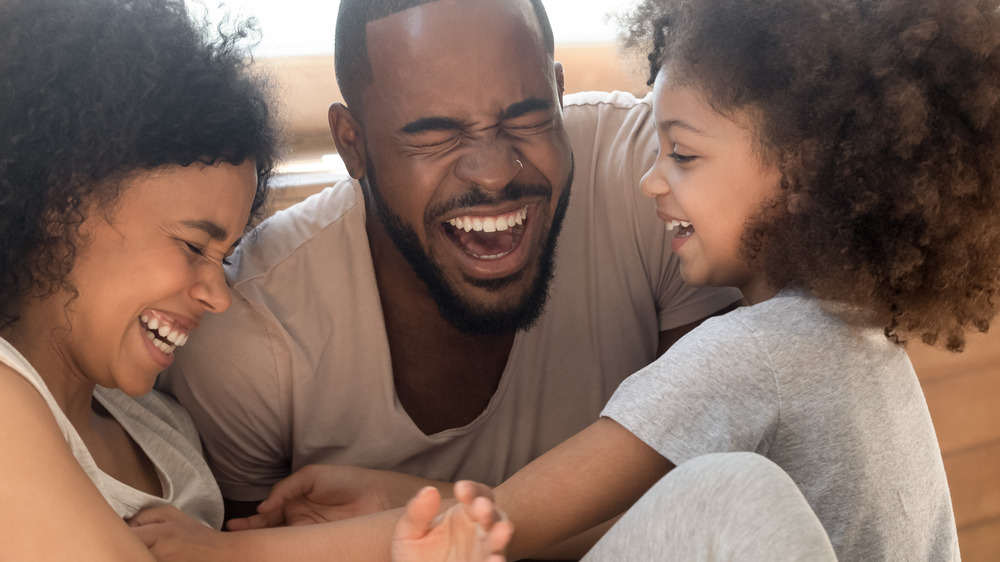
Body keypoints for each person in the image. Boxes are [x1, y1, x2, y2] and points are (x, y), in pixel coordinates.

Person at [202, 0, 990, 558]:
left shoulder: (745, 357)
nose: (649, 181)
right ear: (352, 142)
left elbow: (505, 521)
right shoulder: (853, 334)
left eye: (680, 154)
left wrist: (213, 558)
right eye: (436, 134)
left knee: (728, 492)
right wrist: (405, 498)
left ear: (801, 171)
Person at [157, 0, 741, 520]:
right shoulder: (252, 332)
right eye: (435, 136)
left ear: (559, 95)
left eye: (527, 117)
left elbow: (706, 497)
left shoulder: (657, 181)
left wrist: (415, 510)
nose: (493, 171)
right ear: (351, 143)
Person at [0, 0, 510, 560]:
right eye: (194, 246)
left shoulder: (158, 429)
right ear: (59, 207)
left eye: (226, 254)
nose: (218, 295)